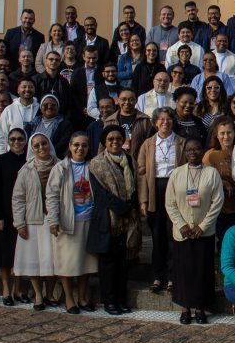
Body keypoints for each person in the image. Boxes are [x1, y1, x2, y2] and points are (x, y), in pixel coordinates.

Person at [166, 137, 224, 324]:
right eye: (189, 150)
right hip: (181, 232)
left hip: (203, 232)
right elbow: (170, 203)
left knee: (202, 271)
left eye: (197, 149)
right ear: (185, 152)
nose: (193, 153)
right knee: (183, 272)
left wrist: (203, 226)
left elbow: (217, 202)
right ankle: (185, 308)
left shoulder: (212, 173)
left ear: (202, 151)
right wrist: (181, 225)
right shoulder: (176, 174)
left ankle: (200, 308)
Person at [87, 125, 142, 315]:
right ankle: (109, 301)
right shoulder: (96, 164)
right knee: (108, 264)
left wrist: (132, 204)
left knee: (123, 263)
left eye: (118, 138)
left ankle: (121, 299)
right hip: (108, 218)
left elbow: (136, 185)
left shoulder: (129, 160)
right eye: (111, 139)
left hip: (128, 218)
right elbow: (100, 194)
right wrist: (122, 207)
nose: (115, 142)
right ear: (104, 142)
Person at [46, 133, 98, 311]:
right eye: (76, 145)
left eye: (84, 145)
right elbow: (52, 195)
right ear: (69, 146)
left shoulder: (92, 167)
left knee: (86, 262)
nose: (80, 149)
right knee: (67, 263)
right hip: (68, 222)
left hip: (88, 220)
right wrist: (53, 220)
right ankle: (69, 298)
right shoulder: (61, 168)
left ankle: (83, 298)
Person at [136, 107, 184, 294]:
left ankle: (172, 276)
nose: (165, 122)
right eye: (161, 119)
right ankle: (158, 276)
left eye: (169, 119)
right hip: (154, 190)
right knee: (158, 237)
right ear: (155, 122)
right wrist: (143, 200)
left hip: (174, 190)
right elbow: (141, 173)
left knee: (174, 236)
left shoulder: (181, 142)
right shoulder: (148, 144)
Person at [11, 132, 58, 310]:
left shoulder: (61, 166)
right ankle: (38, 294)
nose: (41, 148)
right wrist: (20, 223)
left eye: (44, 143)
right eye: (36, 145)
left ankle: (50, 293)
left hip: (53, 220)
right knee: (34, 260)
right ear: (32, 148)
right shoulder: (26, 170)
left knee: (52, 259)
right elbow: (18, 198)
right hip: (33, 220)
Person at [0, 127, 28, 306]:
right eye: (13, 139)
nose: (16, 142)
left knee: (21, 254)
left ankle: (18, 288)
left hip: (26, 215)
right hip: (5, 213)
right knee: (6, 255)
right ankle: (6, 288)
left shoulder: (30, 161)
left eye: (20, 139)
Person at [203, 117, 235, 244]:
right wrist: (223, 183)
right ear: (216, 135)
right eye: (222, 133)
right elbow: (205, 178)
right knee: (223, 239)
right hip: (219, 206)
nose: (226, 136)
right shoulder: (210, 155)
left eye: (229, 132)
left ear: (234, 133)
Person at [0, 79, 39, 154]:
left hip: (35, 153)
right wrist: (2, 155)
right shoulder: (9, 109)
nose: (27, 89)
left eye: (30, 87)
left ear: (35, 90)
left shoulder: (40, 109)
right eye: (24, 87)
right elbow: (2, 134)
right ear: (18, 90)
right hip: (13, 154)